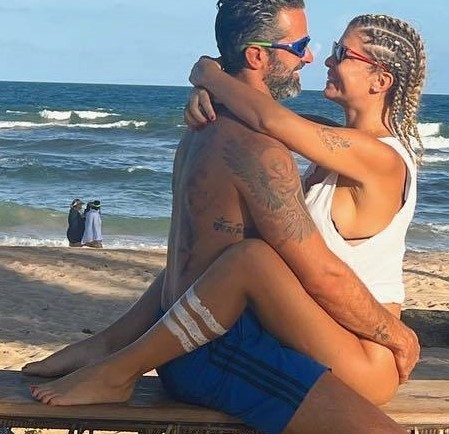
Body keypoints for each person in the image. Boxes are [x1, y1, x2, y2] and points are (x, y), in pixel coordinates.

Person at [24, 2, 417, 433]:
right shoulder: (316, 139)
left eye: (340, 53)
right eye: (304, 46)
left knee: (250, 258)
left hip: (366, 349)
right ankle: (111, 347)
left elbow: (270, 118)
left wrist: (210, 75)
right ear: (257, 55)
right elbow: (271, 119)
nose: (315, 58)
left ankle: (118, 362)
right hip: (302, 335)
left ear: (381, 80)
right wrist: (216, 88)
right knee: (233, 256)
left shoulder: (377, 158)